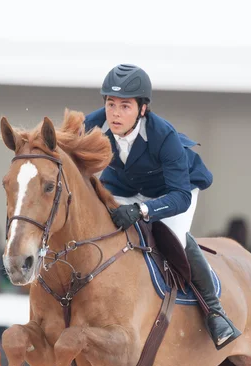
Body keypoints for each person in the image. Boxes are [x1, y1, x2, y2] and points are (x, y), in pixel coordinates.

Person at [84, 64, 241, 349]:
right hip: (124, 188)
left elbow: (179, 196)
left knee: (172, 239)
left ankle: (215, 312)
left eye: (125, 106)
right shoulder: (92, 125)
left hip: (174, 191)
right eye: (110, 104)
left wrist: (143, 211)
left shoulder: (163, 135)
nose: (115, 113)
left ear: (142, 109)